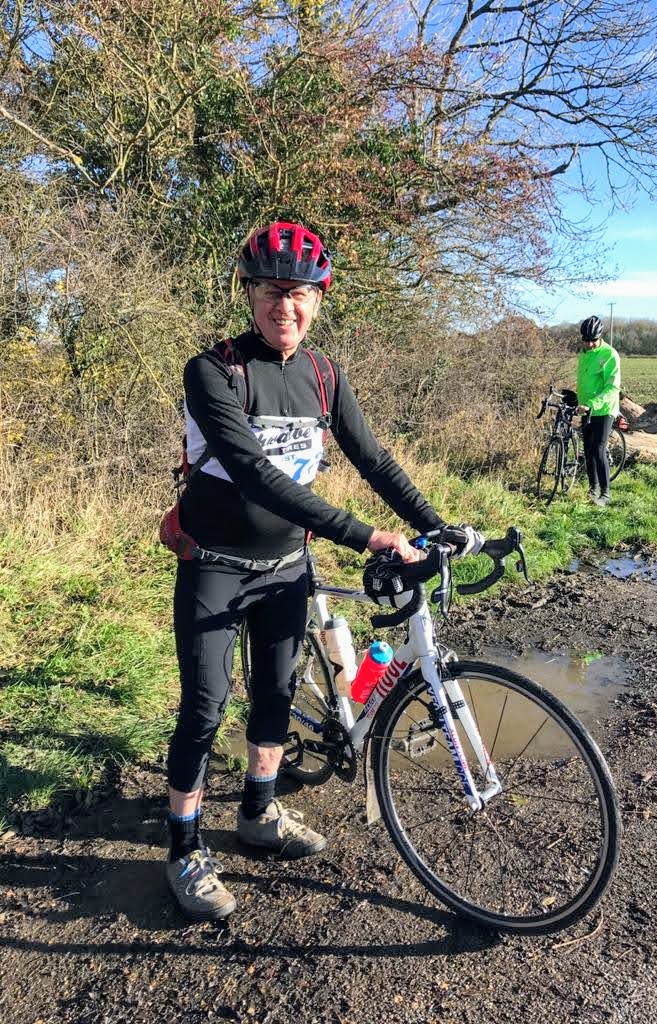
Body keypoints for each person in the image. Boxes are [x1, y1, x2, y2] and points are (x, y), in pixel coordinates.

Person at [163, 221, 481, 920]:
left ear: (318, 300)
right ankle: (183, 847)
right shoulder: (213, 371)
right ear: (249, 294)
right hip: (215, 567)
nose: (286, 306)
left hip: (287, 567)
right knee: (206, 705)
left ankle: (258, 813)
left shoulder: (324, 375)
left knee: (276, 693)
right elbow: (256, 475)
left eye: (300, 294)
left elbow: (374, 460)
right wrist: (366, 536)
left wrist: (433, 524)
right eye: (272, 291)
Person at [575, 315, 621, 507]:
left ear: (600, 337)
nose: (590, 344)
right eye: (586, 340)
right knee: (587, 450)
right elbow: (585, 382)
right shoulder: (584, 354)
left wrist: (592, 403)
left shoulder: (609, 354)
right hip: (586, 409)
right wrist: (576, 399)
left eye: (593, 340)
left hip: (604, 409)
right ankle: (593, 489)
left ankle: (605, 493)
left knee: (598, 449)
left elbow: (612, 387)